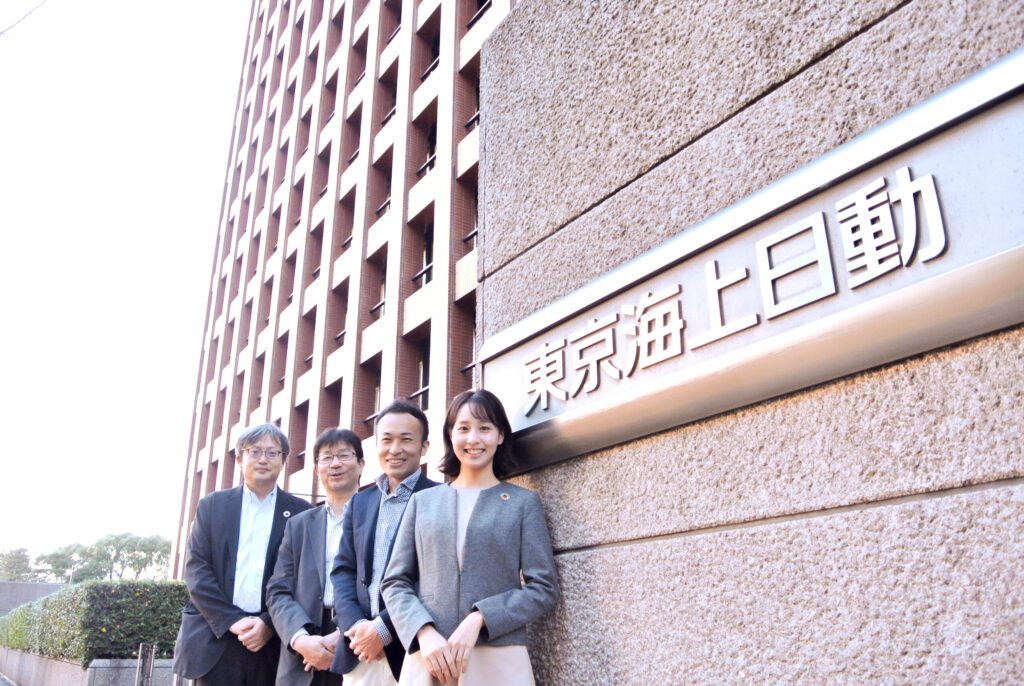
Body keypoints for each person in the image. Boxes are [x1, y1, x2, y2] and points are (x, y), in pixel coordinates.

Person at [381, 389, 560, 686]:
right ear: (450, 435)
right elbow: (394, 582)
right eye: (463, 428)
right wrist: (423, 631)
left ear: (500, 436)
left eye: (485, 428)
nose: (473, 439)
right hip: (430, 657)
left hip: (498, 658)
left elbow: (544, 587)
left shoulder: (522, 503)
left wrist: (481, 618)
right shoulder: (423, 502)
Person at [173, 423, 313, 686]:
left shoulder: (302, 513)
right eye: (254, 451)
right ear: (239, 459)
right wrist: (232, 621)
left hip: (273, 645)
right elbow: (196, 571)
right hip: (216, 640)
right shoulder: (212, 506)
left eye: (272, 453)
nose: (263, 459)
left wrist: (268, 623)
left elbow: (303, 580)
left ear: (283, 461)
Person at [329, 400, 440, 685]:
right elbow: (343, 572)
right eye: (387, 440)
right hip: (360, 653)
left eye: (406, 439)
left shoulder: (441, 499)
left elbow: (437, 578)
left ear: (424, 447)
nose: (395, 449)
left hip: (413, 649)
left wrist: (383, 630)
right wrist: (358, 628)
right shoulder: (360, 503)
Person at [267, 428, 365, 685]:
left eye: (344, 455)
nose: (335, 464)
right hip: (304, 648)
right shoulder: (298, 525)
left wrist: (343, 634)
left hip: (360, 646)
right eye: (327, 458)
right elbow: (278, 591)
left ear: (361, 464)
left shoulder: (377, 518)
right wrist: (300, 639)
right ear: (316, 469)